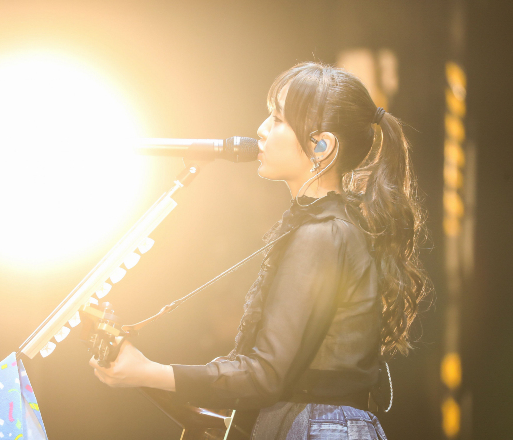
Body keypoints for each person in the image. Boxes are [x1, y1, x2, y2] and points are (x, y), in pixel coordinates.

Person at [89, 62, 431, 439]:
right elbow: (273, 374)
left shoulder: (323, 234)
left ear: (322, 145)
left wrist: (147, 371)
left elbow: (265, 375)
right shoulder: (326, 228)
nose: (261, 129)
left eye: (278, 119)